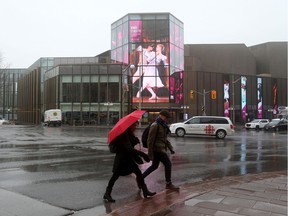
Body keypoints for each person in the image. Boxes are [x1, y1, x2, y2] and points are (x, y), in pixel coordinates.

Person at [103, 122, 156, 202]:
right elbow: (129, 148)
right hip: (121, 159)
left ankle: (145, 191)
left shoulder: (129, 134)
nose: (135, 127)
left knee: (138, 173)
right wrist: (142, 154)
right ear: (129, 126)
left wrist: (135, 140)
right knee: (115, 176)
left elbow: (130, 145)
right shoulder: (124, 135)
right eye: (134, 125)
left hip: (127, 158)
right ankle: (107, 194)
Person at [142, 110, 179, 190]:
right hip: (157, 149)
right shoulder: (155, 125)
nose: (167, 120)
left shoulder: (163, 125)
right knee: (168, 164)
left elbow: (164, 139)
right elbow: (150, 140)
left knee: (154, 166)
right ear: (161, 116)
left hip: (161, 148)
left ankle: (140, 178)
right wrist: (150, 153)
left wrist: (170, 148)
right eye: (166, 118)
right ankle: (168, 183)